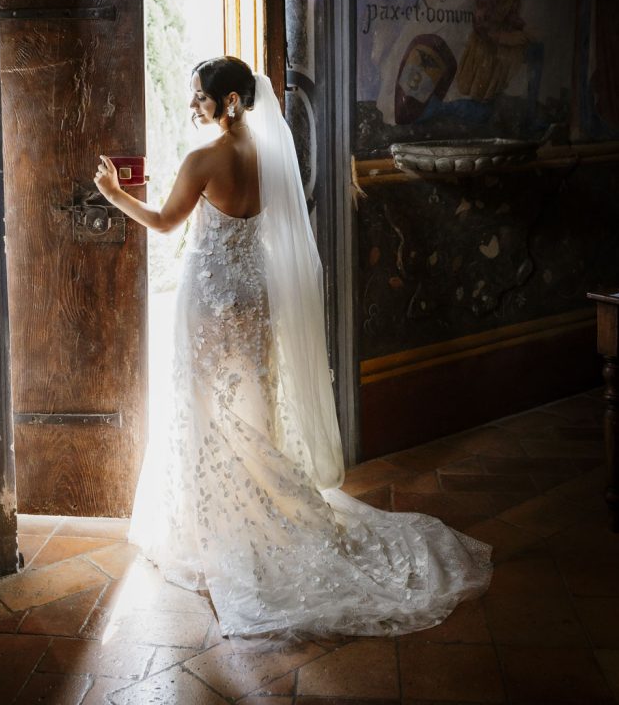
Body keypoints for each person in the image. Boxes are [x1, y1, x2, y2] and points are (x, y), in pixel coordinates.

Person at [94, 55, 491, 638]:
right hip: (254, 290)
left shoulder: (204, 157)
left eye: (200, 95)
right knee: (253, 403)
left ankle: (219, 525)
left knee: (204, 405)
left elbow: (163, 221)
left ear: (232, 100)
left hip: (210, 294)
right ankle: (266, 506)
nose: (192, 105)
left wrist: (111, 193)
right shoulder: (268, 151)